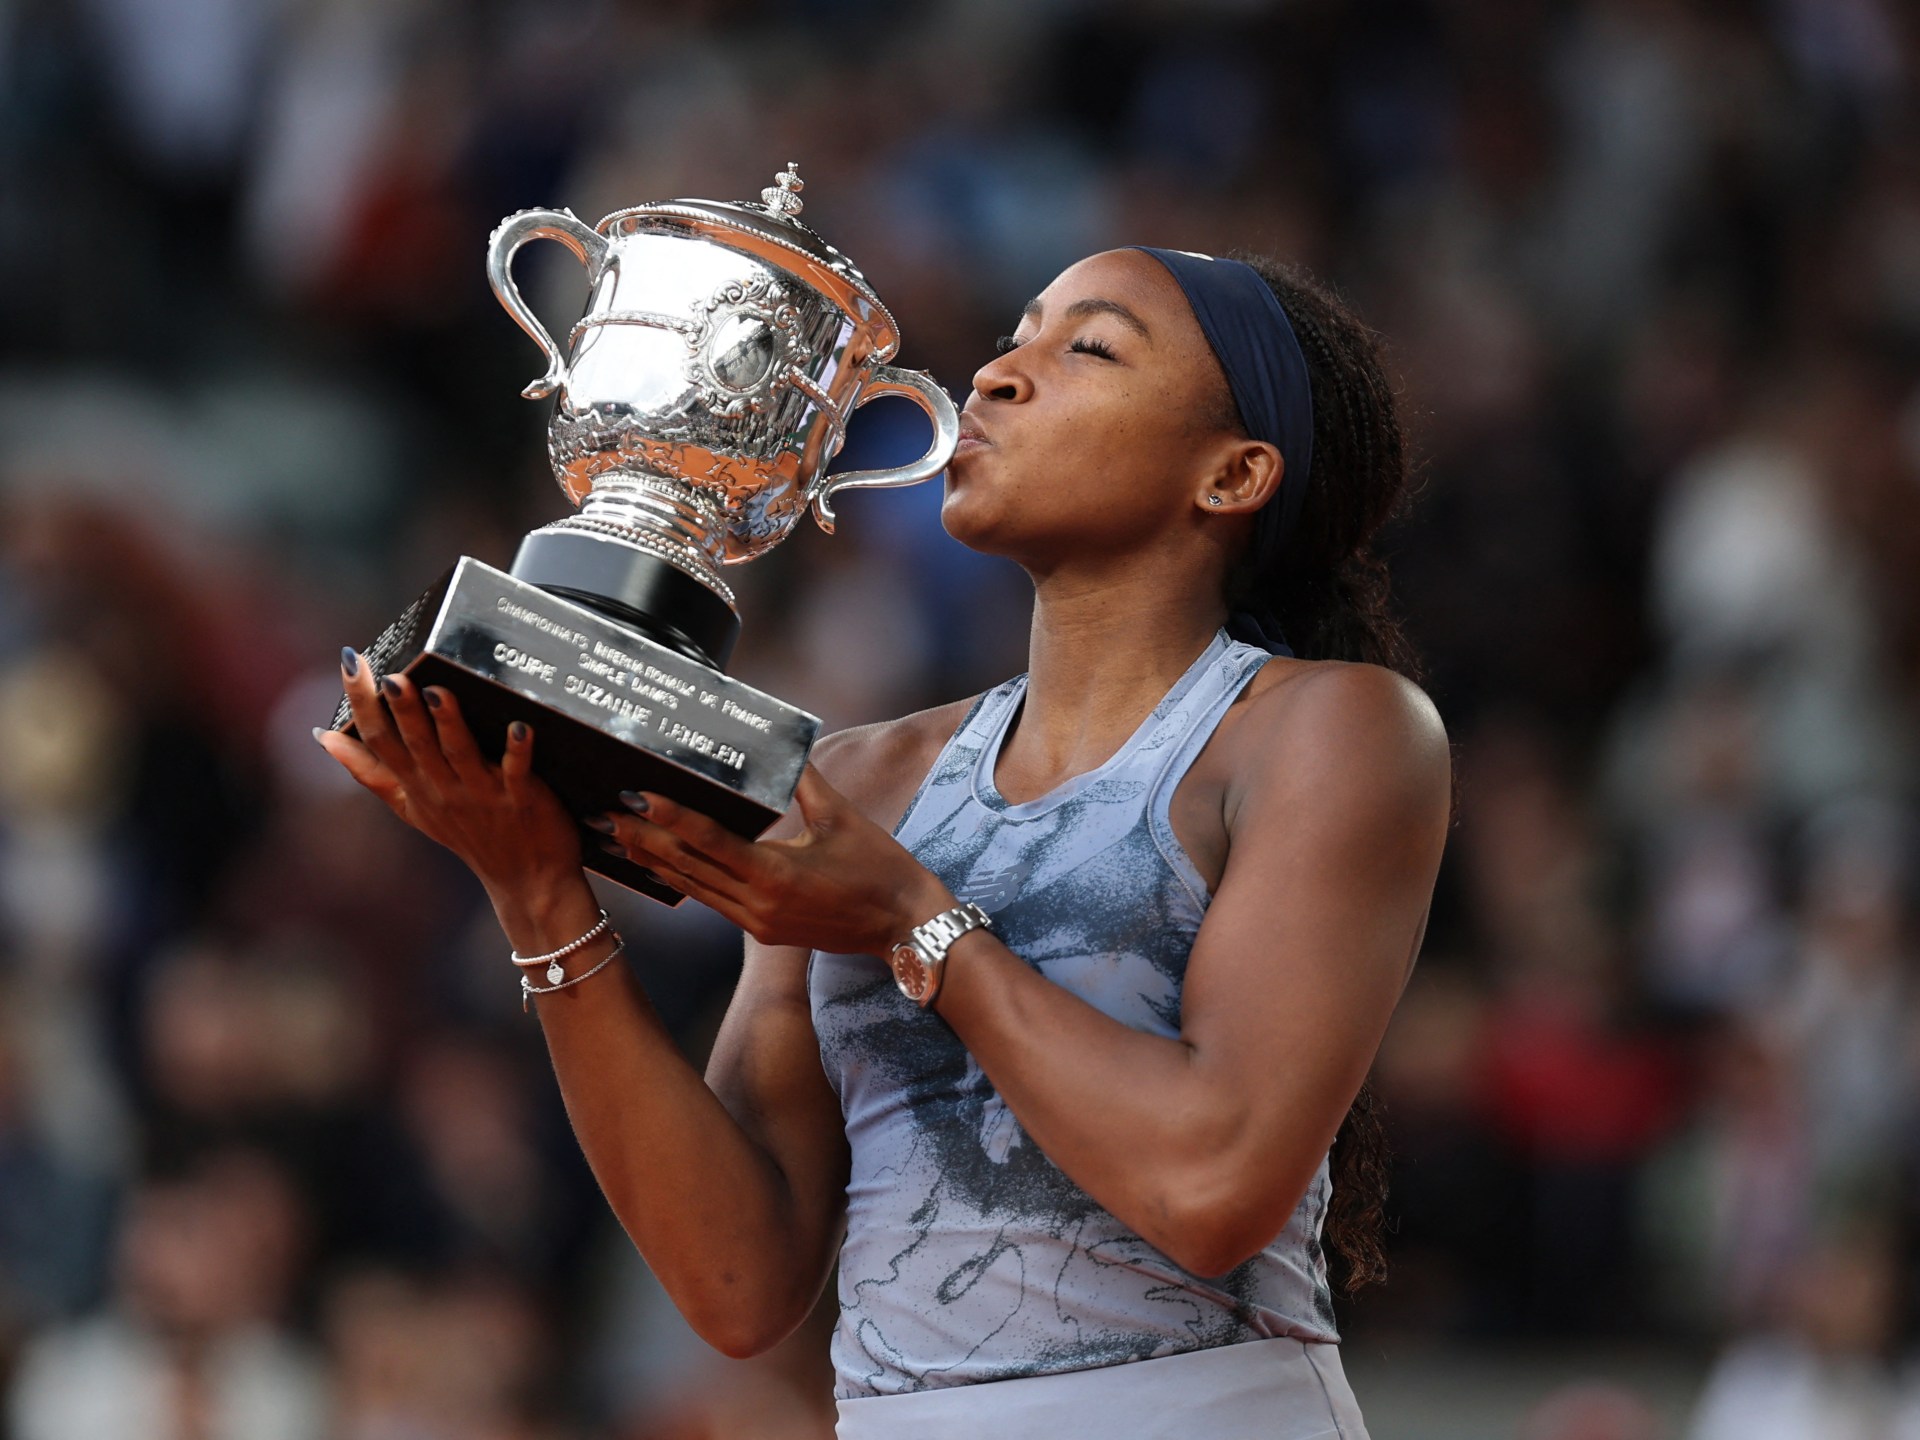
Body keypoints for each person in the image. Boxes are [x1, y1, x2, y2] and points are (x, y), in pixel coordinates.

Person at [317, 245, 1451, 1438]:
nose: (1001, 374)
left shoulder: (1332, 728)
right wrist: (536, 888)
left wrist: (913, 920)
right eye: (1015, 334)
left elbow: (1212, 1187)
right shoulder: (862, 779)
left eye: (1091, 347)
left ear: (1233, 475)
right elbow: (740, 1283)